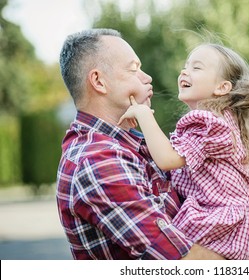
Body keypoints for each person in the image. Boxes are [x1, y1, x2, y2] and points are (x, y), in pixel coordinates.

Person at [56, 28, 224, 260]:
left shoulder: (131, 145)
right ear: (99, 81)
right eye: (134, 69)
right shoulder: (98, 161)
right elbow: (182, 261)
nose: (147, 78)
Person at [118, 42, 249, 259]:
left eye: (196, 68)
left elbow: (167, 159)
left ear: (222, 88)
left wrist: (144, 114)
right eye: (185, 66)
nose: (184, 72)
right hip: (228, 224)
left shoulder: (210, 122)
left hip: (215, 221)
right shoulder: (221, 120)